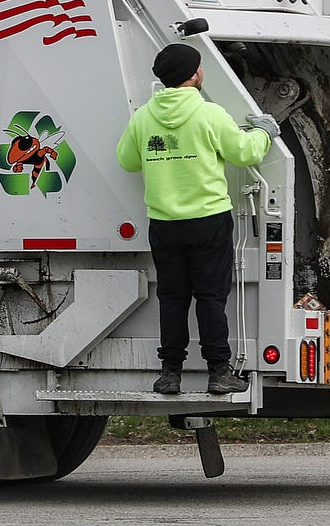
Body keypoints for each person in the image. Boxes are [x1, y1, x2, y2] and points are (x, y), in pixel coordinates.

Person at [116, 42, 279, 397]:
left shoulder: (143, 116)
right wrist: (266, 131)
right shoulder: (209, 114)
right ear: (193, 74)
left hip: (163, 223)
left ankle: (170, 373)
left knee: (172, 298)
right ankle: (219, 371)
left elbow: (127, 160)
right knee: (210, 297)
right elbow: (245, 151)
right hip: (208, 220)